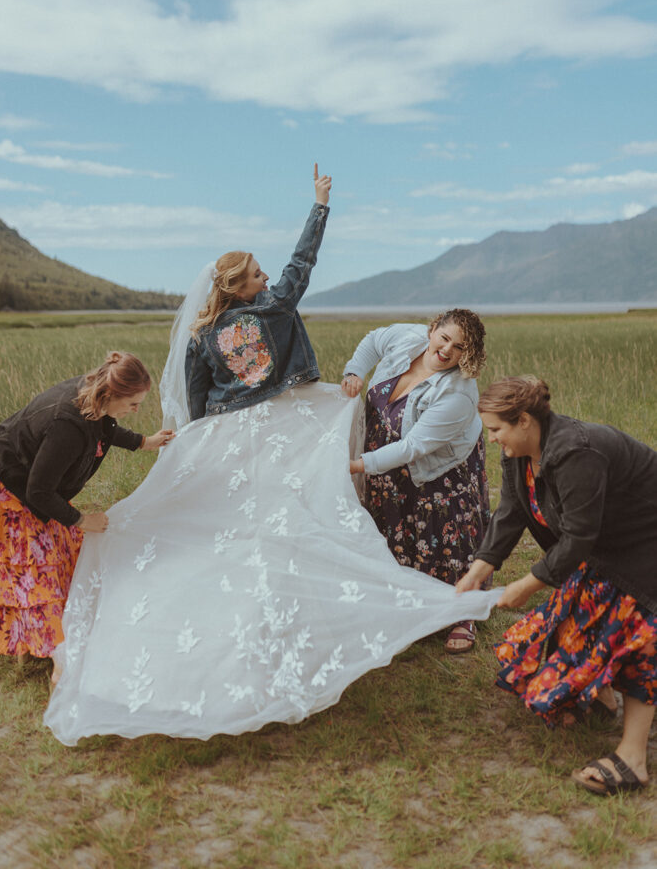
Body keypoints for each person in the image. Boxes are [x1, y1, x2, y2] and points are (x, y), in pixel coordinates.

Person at [44, 167, 499, 746]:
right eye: (257, 271)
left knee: (248, 523)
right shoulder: (275, 305)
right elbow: (301, 263)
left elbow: (200, 399)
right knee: (287, 517)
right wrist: (320, 207)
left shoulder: (202, 335)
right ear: (239, 287)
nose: (268, 274)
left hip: (236, 432)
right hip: (284, 423)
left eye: (264, 269)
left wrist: (200, 447)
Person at [456, 376, 657, 796]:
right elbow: (510, 512)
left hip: (645, 541)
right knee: (577, 622)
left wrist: (528, 585)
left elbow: (580, 536)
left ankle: (634, 759)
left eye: (496, 429)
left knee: (636, 637)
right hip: (606, 544)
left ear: (525, 420)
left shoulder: (574, 451)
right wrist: (478, 570)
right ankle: (599, 700)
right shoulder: (520, 452)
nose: (492, 438)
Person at [0, 352, 173, 662]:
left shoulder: (96, 396)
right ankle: (52, 653)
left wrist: (144, 442)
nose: (136, 410)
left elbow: (106, 428)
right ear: (112, 393)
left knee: (62, 555)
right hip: (5, 488)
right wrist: (81, 519)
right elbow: (38, 491)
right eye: (133, 403)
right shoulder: (67, 426)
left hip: (30, 482)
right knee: (37, 571)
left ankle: (54, 640)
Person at [342, 310, 490, 653]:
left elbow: (413, 447)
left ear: (467, 354)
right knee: (396, 528)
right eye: (444, 338)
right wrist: (354, 370)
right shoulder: (407, 339)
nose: (447, 350)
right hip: (383, 460)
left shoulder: (458, 393)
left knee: (441, 531)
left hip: (437, 468)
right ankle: (409, 602)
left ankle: (461, 614)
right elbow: (373, 340)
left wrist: (355, 466)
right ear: (432, 329)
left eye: (459, 347)